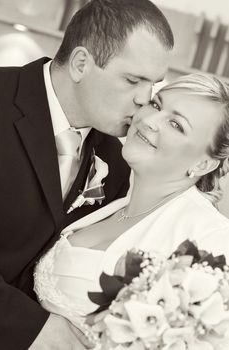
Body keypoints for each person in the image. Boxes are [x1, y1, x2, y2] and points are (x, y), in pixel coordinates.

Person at [0, 0, 174, 349]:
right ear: (81, 63)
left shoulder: (119, 161)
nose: (144, 99)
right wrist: (30, 327)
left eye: (152, 84)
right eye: (133, 79)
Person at [34, 73, 229, 348]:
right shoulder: (113, 197)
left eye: (176, 124)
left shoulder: (213, 239)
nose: (149, 121)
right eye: (157, 105)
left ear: (203, 164)